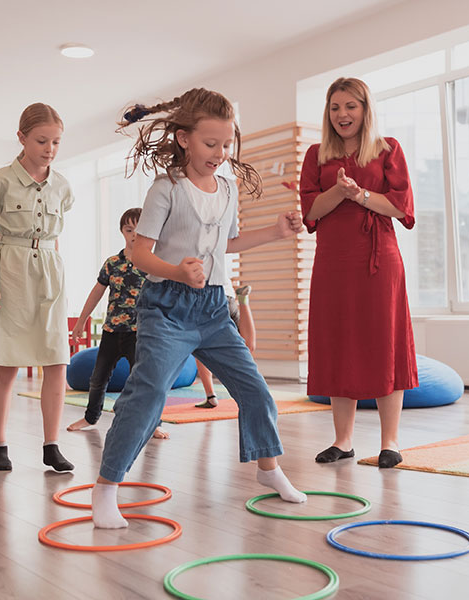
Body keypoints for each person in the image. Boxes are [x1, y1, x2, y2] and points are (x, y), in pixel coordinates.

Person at [91, 88, 307, 529]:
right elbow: (139, 255)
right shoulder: (166, 189)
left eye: (226, 145)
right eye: (211, 144)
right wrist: (175, 270)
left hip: (212, 309)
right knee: (148, 393)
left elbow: (227, 244)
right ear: (184, 139)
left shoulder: (226, 189)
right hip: (166, 309)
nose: (220, 153)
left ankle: (269, 470)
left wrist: (276, 231)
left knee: (256, 390)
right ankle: (106, 488)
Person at [300, 77, 417, 469]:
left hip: (379, 260)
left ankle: (390, 441)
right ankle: (343, 441)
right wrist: (339, 192)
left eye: (350, 106)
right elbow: (311, 213)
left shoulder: (388, 149)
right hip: (334, 262)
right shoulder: (316, 155)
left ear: (365, 109)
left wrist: (361, 195)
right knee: (339, 344)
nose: (342, 115)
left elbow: (401, 208)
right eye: (335, 108)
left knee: (385, 344)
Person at [0, 102, 75, 472]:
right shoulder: (1, 180)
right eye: (42, 140)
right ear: (22, 138)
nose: (50, 149)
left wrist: (57, 280)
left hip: (50, 272)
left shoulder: (62, 185)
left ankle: (52, 444)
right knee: (7, 365)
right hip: (10, 271)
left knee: (57, 360)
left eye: (56, 142)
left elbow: (54, 238)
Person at [66, 207, 168, 439]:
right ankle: (90, 417)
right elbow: (96, 293)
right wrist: (81, 321)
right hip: (111, 331)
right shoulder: (112, 263)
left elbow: (165, 296)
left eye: (139, 229)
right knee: (98, 378)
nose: (134, 234)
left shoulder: (154, 264)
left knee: (146, 380)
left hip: (139, 333)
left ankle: (153, 423)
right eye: (128, 229)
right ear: (122, 232)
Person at [194, 280, 255, 408]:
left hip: (212, 299)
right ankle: (243, 301)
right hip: (229, 297)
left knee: (200, 347)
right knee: (246, 347)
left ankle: (211, 396)